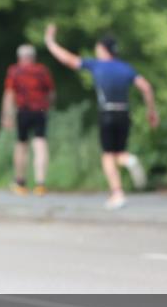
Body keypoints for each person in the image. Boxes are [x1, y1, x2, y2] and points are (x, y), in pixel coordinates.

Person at [44, 25, 159, 210]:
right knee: (119, 152)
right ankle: (129, 160)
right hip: (124, 113)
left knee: (107, 156)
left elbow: (67, 59)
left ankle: (117, 192)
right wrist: (151, 111)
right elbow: (146, 87)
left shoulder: (96, 65)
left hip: (107, 112)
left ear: (103, 49)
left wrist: (50, 42)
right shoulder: (126, 68)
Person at [2, 44, 55, 196]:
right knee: (40, 144)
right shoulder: (42, 71)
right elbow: (51, 93)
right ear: (33, 57)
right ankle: (40, 184)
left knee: (21, 145)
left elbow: (9, 94)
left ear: (20, 57)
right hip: (40, 110)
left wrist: (7, 116)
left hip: (23, 111)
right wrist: (48, 107)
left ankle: (20, 182)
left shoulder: (15, 71)